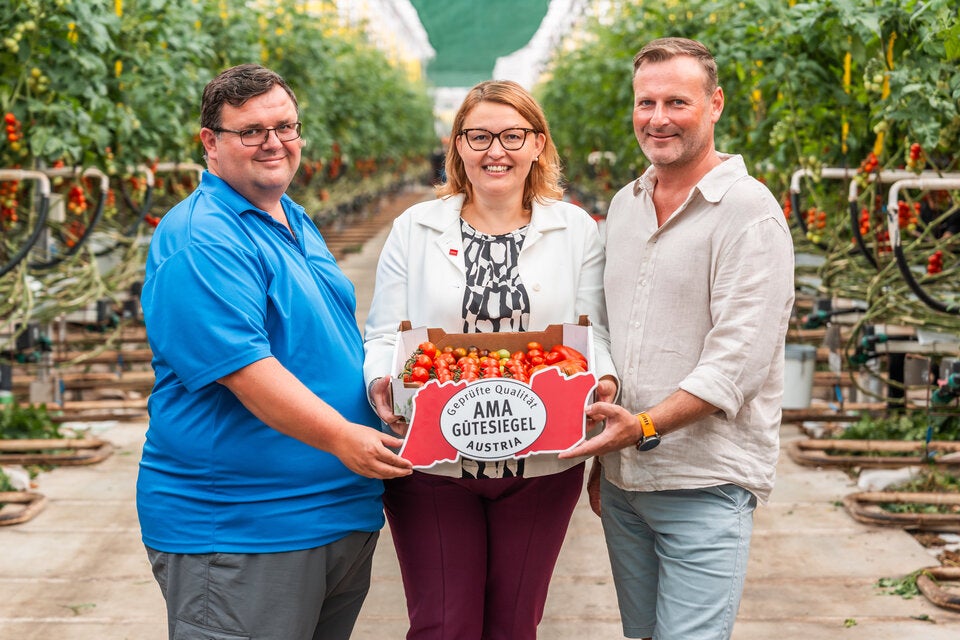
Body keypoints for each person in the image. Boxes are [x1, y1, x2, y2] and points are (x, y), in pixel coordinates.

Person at [137, 63, 412, 640]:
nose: (273, 142)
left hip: (334, 512)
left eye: (285, 127)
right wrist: (342, 436)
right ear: (210, 142)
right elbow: (245, 370)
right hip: (246, 528)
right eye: (251, 131)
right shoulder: (202, 236)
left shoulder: (292, 217)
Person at [363, 79, 619, 639]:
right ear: (457, 144)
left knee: (514, 624)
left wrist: (602, 378)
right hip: (434, 460)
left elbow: (591, 331)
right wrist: (382, 379)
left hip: (541, 461)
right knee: (443, 624)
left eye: (512, 136)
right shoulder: (415, 227)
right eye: (478, 136)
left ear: (538, 143)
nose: (495, 151)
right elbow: (384, 332)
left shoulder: (576, 229)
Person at [559, 38, 795, 640]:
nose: (658, 118)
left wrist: (639, 427)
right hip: (625, 485)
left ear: (715, 104)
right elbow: (607, 330)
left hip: (703, 483)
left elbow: (735, 366)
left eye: (677, 102)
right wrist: (607, 457)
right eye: (646, 102)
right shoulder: (626, 205)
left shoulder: (748, 213)